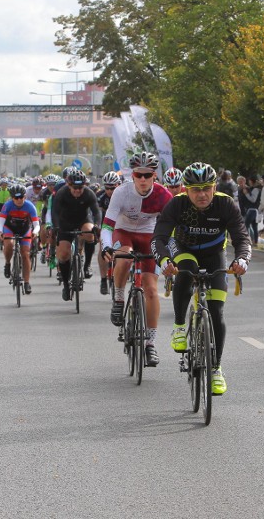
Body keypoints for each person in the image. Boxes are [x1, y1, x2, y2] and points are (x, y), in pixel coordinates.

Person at [152, 162, 251, 395]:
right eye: (195, 189)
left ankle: (215, 369)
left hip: (214, 253)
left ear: (214, 186)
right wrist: (165, 261)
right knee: (186, 269)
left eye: (206, 188)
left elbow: (241, 236)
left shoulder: (225, 204)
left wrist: (242, 260)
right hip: (183, 248)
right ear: (186, 190)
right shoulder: (177, 204)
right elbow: (159, 238)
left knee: (216, 311)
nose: (202, 194)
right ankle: (178, 326)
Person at [101, 152, 173, 366]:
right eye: (138, 175)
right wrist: (106, 245)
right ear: (132, 175)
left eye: (147, 175)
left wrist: (171, 254)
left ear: (154, 176)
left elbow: (173, 228)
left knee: (151, 290)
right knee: (123, 258)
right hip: (123, 231)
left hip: (149, 234)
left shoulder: (163, 195)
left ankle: (150, 344)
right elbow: (107, 226)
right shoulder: (121, 193)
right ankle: (119, 297)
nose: (142, 179)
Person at [50, 169, 101, 301]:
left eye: (80, 187)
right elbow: (54, 212)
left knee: (90, 234)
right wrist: (55, 227)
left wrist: (97, 225)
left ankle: (87, 265)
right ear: (69, 185)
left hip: (83, 220)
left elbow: (96, 212)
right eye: (75, 188)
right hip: (65, 222)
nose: (78, 190)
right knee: (63, 254)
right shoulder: (62, 194)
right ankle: (66, 285)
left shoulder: (89, 194)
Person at [0, 184, 39, 294]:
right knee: (9, 244)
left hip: (24, 229)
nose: (19, 200)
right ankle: (7, 263)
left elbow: (36, 224)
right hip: (9, 228)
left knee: (25, 254)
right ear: (12, 198)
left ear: (25, 196)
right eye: (16, 198)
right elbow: (1, 221)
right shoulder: (7, 205)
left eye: (22, 197)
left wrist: (35, 232)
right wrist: (0, 232)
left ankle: (26, 282)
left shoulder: (30, 206)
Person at [96, 171, 122, 294]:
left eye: (113, 188)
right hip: (106, 225)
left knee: (120, 252)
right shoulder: (100, 196)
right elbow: (97, 214)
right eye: (107, 188)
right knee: (102, 249)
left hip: (120, 225)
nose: (110, 191)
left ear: (119, 185)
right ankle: (103, 279)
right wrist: (97, 228)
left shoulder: (124, 195)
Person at [237, 175, 260, 245]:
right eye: (239, 182)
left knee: (246, 225)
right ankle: (254, 241)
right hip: (245, 209)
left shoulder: (249, 189)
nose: (240, 183)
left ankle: (249, 240)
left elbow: (252, 199)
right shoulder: (239, 189)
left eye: (241, 181)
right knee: (251, 226)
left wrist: (246, 193)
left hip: (250, 209)